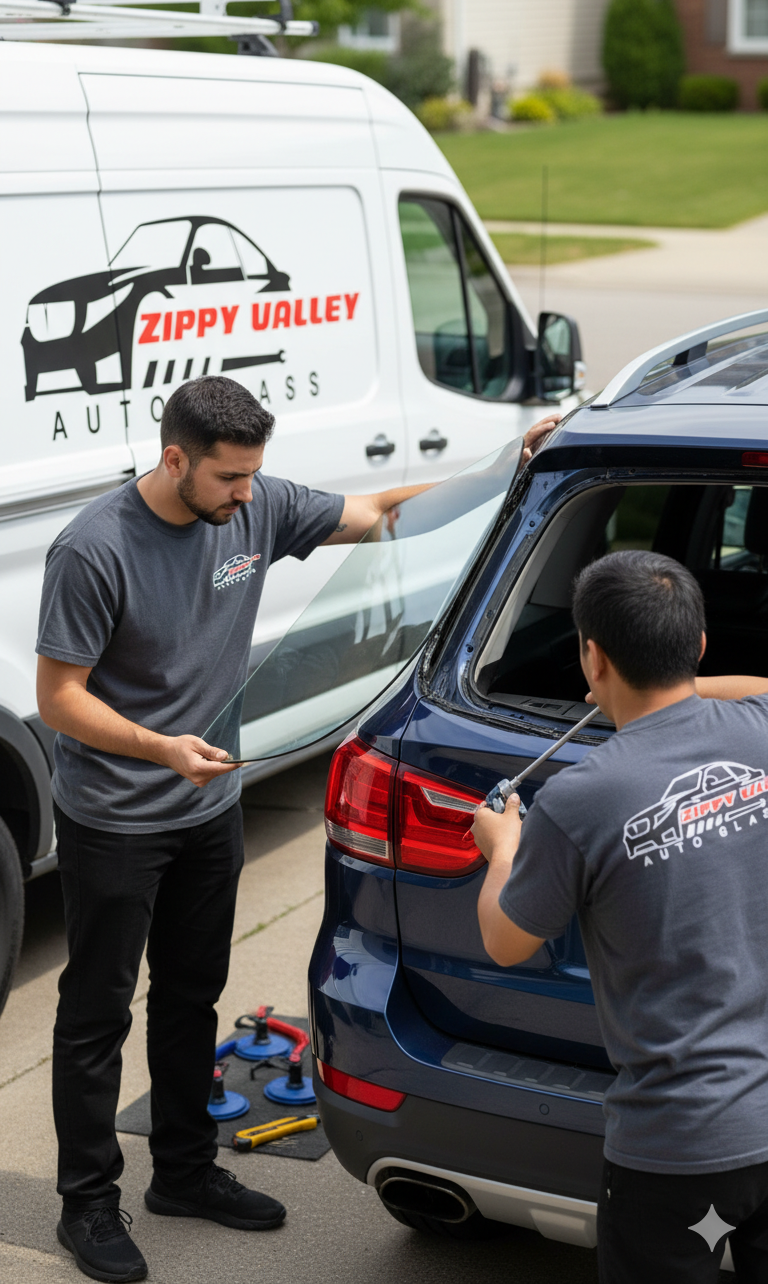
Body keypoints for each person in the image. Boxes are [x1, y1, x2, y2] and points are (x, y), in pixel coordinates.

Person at [37, 374, 558, 1283]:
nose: (247, 495)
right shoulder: (94, 549)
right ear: (175, 460)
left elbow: (386, 514)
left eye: (253, 475)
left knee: (191, 997)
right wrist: (160, 749)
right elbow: (59, 698)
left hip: (208, 811)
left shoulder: (257, 505)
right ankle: (86, 1204)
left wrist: (501, 467)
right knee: (96, 1016)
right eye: (229, 477)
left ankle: (183, 1174)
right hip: (116, 821)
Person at [472, 548, 768, 1283]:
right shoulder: (761, 728)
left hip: (679, 1150)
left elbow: (506, 941)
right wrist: (681, 688)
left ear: (592, 657)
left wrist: (502, 849)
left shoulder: (580, 798)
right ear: (699, 643)